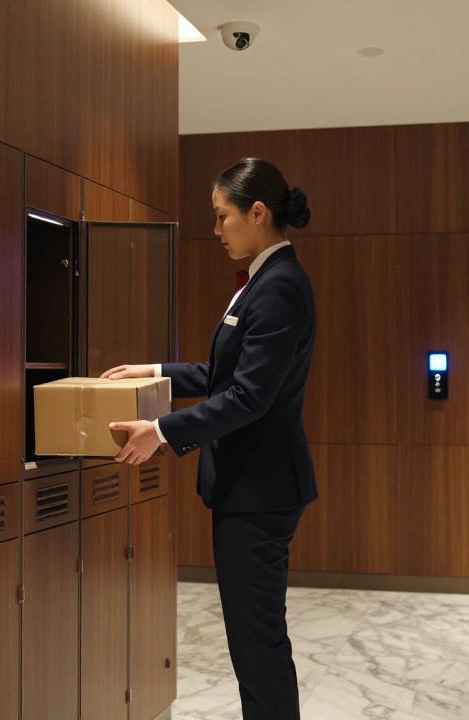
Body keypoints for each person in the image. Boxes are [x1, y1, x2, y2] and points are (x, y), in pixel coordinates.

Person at [103, 157, 317, 719]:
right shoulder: (264, 280)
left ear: (258, 212)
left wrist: (162, 432)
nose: (217, 229)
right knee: (253, 644)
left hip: (260, 491)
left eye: (223, 217)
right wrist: (154, 372)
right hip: (250, 490)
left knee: (258, 646)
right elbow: (226, 375)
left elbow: (248, 398)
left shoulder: (279, 287)